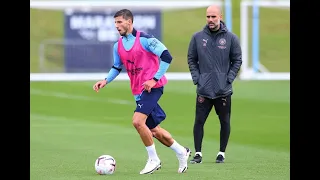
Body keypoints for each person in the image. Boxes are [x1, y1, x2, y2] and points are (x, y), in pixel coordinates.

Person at [93, 9, 191, 174]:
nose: (116, 26)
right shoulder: (118, 46)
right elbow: (117, 67)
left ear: (129, 22)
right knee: (154, 130)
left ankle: (154, 159)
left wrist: (154, 79)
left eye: (119, 22)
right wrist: (105, 80)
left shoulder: (146, 40)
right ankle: (182, 151)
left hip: (153, 88)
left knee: (138, 121)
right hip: (138, 91)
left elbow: (167, 57)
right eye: (115, 23)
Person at [187, 5, 242, 164]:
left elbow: (237, 60)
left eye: (213, 17)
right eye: (208, 17)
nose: (210, 20)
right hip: (203, 89)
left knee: (225, 121)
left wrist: (229, 78)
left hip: (223, 89)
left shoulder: (231, 38)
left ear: (220, 17)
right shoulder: (197, 37)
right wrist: (197, 78)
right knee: (199, 121)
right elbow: (191, 58)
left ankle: (221, 153)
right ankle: (198, 154)